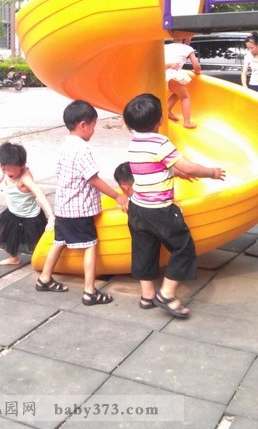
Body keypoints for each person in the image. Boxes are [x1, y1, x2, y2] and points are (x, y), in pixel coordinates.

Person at [123, 93, 225, 317]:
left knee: (144, 250)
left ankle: (147, 296)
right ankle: (166, 294)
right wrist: (211, 172)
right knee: (183, 248)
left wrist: (175, 173)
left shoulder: (134, 142)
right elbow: (188, 167)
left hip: (137, 208)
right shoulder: (161, 142)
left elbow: (152, 167)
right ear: (160, 120)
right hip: (160, 210)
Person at [36, 99, 124, 305]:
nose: (94, 130)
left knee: (59, 242)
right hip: (78, 210)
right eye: (93, 125)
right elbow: (93, 179)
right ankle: (89, 291)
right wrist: (117, 196)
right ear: (83, 125)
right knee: (90, 246)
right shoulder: (82, 149)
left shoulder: (64, 145)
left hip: (63, 207)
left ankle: (44, 278)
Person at [0, 142, 54, 266]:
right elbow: (0, 177)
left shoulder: (25, 179)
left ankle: (47, 261)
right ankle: (14, 258)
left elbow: (40, 194)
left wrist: (51, 215)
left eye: (11, 170)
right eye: (4, 168)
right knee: (0, 234)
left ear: (22, 165)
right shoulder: (6, 171)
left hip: (31, 216)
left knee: (36, 242)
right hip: (13, 212)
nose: (7, 172)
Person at [164, 38, 201, 128]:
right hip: (173, 74)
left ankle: (167, 111)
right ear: (186, 39)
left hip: (163, 74)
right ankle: (187, 122)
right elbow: (196, 66)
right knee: (185, 96)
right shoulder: (188, 48)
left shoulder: (165, 47)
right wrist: (197, 72)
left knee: (178, 93)